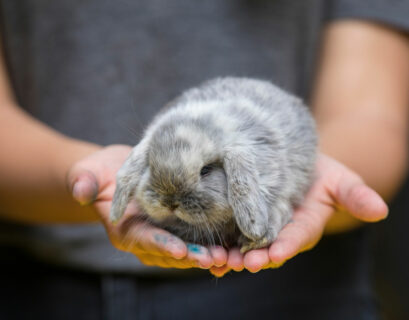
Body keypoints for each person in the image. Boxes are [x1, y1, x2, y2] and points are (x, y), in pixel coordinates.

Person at [0, 1, 408, 319]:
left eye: (207, 173)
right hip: (33, 285)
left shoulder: (251, 160)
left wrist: (279, 203)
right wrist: (85, 176)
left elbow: (373, 115)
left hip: (291, 293)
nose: (174, 203)